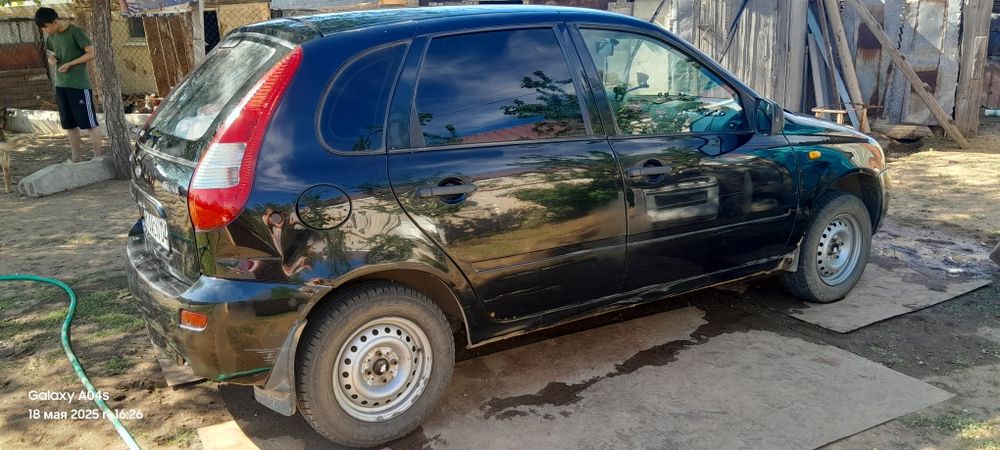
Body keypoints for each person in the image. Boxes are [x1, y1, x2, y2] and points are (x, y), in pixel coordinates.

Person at [34, 7, 102, 163]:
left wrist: (71, 63)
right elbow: (54, 54)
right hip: (61, 85)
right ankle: (76, 157)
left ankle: (98, 157)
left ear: (55, 22)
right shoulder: (51, 36)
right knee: (69, 124)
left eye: (45, 27)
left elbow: (91, 53)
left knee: (90, 123)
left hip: (79, 85)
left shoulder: (76, 32)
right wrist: (52, 59)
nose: (44, 30)